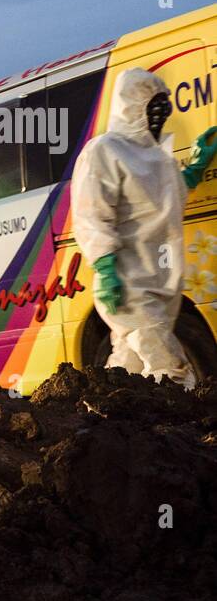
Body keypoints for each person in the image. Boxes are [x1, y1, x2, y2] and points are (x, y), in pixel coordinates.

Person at [71, 67, 217, 388]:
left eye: (162, 109)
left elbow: (166, 199)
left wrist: (195, 168)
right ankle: (186, 428)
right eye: (153, 109)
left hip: (161, 282)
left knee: (127, 368)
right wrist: (106, 266)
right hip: (127, 283)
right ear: (132, 107)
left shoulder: (159, 158)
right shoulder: (103, 151)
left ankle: (104, 420)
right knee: (169, 364)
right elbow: (90, 214)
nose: (158, 117)